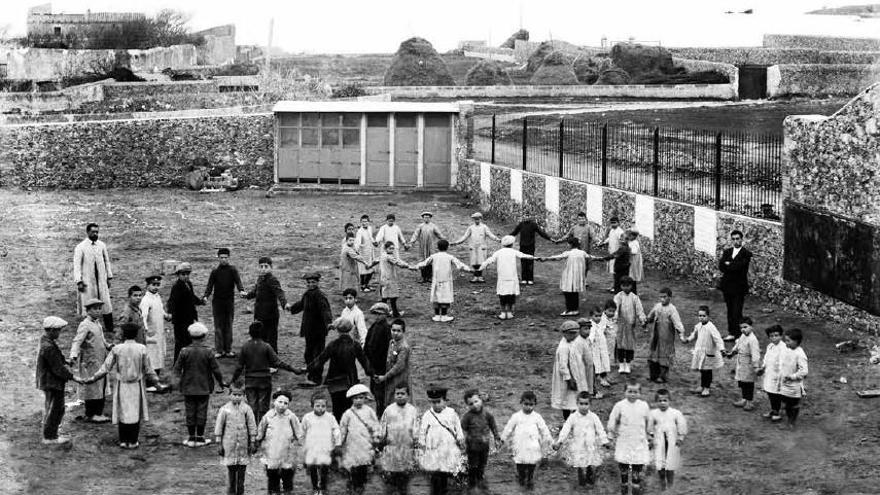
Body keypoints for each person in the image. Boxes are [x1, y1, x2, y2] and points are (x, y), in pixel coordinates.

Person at [84, 322, 163, 449]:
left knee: (123, 412)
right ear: (136, 335)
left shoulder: (117, 349)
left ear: (123, 335)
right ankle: (133, 441)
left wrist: (93, 378)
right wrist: (157, 383)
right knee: (134, 412)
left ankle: (123, 440)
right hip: (136, 386)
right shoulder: (142, 348)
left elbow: (105, 367)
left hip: (122, 386)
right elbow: (149, 370)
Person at [304, 318, 372, 421]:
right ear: (350, 329)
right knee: (349, 408)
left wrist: (307, 369)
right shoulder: (355, 345)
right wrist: (371, 373)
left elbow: (321, 359)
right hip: (350, 381)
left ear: (338, 330)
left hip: (334, 381)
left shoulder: (333, 344)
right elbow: (364, 361)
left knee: (337, 408)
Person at [230, 321, 299, 422]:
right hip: (264, 380)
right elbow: (278, 362)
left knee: (252, 407)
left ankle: (253, 429)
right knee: (263, 408)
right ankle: (262, 429)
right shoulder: (266, 346)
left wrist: (232, 380)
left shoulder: (245, 347)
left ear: (249, 333)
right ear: (262, 333)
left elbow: (239, 367)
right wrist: (294, 370)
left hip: (250, 381)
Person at [175, 322, 226, 447]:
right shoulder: (208, 352)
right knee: (202, 411)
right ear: (204, 336)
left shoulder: (184, 351)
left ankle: (191, 437)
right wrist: (221, 382)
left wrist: (176, 383)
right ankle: (201, 437)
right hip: (204, 386)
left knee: (190, 411)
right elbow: (216, 370)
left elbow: (176, 369)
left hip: (188, 386)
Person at [553, 392, 609, 489]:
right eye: (581, 404)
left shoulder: (593, 417)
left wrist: (605, 441)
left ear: (590, 404)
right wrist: (560, 441)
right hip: (578, 446)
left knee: (590, 462)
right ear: (577, 404)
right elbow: (566, 429)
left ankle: (590, 479)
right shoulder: (573, 417)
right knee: (580, 463)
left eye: (586, 404)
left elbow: (600, 429)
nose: (583, 407)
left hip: (590, 445)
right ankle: (581, 483)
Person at [286, 272, 334, 387]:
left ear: (317, 283)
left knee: (318, 354)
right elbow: (301, 304)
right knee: (308, 353)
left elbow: (325, 310)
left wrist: (328, 323)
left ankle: (316, 379)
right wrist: (291, 308)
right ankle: (310, 372)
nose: (311, 284)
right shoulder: (307, 294)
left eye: (313, 282)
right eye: (309, 283)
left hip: (319, 331)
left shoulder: (320, 295)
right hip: (309, 330)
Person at [69, 298, 112, 423]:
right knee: (92, 387)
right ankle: (91, 413)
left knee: (100, 386)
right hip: (90, 361)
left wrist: (108, 345)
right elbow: (77, 341)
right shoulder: (85, 325)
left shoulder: (97, 323)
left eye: (99, 308)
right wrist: (73, 355)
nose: (98, 311)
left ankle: (98, 412)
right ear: (88, 311)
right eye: (95, 309)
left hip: (100, 359)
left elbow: (101, 339)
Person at [37, 316, 77, 445]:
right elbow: (58, 369)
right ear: (52, 330)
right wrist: (73, 377)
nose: (59, 333)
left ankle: (50, 432)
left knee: (53, 407)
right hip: (52, 382)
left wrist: (65, 360)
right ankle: (50, 436)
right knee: (56, 408)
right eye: (58, 330)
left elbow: (56, 358)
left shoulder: (46, 342)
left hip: (49, 381)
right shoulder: (48, 346)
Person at [500, 391, 552, 489]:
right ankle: (521, 476)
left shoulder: (537, 417)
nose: (528, 407)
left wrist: (549, 439)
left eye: (531, 404)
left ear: (535, 404)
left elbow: (544, 428)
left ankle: (530, 478)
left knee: (532, 462)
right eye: (526, 404)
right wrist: (503, 438)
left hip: (532, 444)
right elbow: (509, 427)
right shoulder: (516, 416)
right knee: (520, 462)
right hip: (520, 443)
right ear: (521, 403)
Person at [607, 380, 652, 495]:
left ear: (640, 393)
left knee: (638, 462)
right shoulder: (620, 405)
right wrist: (611, 435)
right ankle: (624, 483)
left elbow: (649, 421)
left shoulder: (644, 406)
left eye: (635, 392)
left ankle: (636, 483)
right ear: (624, 392)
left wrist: (650, 434)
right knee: (624, 462)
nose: (632, 394)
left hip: (639, 439)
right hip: (625, 439)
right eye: (630, 391)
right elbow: (613, 420)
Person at [418, 386, 465, 495]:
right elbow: (422, 431)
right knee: (435, 472)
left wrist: (460, 439)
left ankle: (446, 488)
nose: (436, 405)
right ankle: (436, 491)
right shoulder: (427, 415)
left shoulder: (451, 413)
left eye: (438, 402)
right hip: (434, 449)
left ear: (445, 401)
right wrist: (422, 445)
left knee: (446, 470)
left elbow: (457, 427)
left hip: (448, 448)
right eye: (433, 402)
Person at [413, 239, 473, 322]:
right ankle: (444, 316)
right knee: (445, 297)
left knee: (436, 297)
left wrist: (414, 267)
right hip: (446, 280)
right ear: (447, 247)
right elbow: (459, 264)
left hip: (437, 280)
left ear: (437, 247)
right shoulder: (449, 257)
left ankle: (437, 315)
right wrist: (469, 270)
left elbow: (424, 263)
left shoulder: (434, 256)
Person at [214, 381, 258, 495]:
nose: (237, 397)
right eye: (234, 394)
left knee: (241, 474)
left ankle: (240, 492)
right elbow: (219, 426)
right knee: (231, 473)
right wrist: (219, 443)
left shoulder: (247, 409)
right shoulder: (224, 409)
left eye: (240, 395)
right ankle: (231, 492)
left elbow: (252, 425)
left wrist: (252, 441)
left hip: (243, 447)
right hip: (229, 446)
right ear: (229, 395)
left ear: (243, 396)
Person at [257, 390, 302, 495]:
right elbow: (261, 430)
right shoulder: (268, 416)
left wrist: (301, 442)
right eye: (280, 402)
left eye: (285, 403)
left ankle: (287, 491)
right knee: (272, 475)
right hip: (272, 451)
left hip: (287, 451)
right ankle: (273, 491)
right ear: (274, 402)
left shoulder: (291, 416)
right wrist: (257, 440)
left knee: (287, 475)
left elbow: (298, 432)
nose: (282, 405)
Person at [478, 235, 535, 319]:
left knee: (502, 294)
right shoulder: (513, 252)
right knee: (511, 294)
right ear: (512, 244)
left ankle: (503, 312)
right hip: (511, 276)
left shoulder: (498, 252)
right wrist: (535, 258)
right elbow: (524, 255)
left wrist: (480, 268)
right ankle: (509, 312)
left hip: (502, 277)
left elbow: (489, 260)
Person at [538, 237, 598, 316]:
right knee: (575, 292)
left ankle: (569, 310)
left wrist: (544, 259)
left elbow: (557, 257)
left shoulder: (568, 253)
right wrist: (603, 258)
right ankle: (575, 309)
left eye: (568, 243)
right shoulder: (582, 253)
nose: (567, 245)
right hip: (578, 276)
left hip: (569, 275)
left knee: (567, 292)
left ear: (571, 244)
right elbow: (591, 257)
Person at [339, 384, 380, 495]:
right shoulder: (348, 414)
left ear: (365, 399)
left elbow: (375, 424)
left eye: (361, 398)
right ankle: (354, 483)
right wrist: (340, 441)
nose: (358, 400)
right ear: (352, 400)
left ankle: (360, 484)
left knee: (364, 464)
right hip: (353, 444)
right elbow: (343, 428)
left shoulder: (369, 411)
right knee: (353, 464)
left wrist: (376, 436)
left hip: (365, 443)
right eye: (356, 398)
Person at [73, 223, 115, 333]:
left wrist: (109, 277)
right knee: (89, 304)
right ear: (88, 232)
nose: (95, 234)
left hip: (101, 279)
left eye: (97, 232)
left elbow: (106, 261)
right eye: (93, 232)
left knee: (106, 303)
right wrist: (79, 281)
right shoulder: (81, 247)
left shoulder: (101, 245)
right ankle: (89, 328)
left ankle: (109, 328)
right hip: (88, 281)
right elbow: (77, 265)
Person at [378, 385, 420, 495]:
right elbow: (383, 424)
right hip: (393, 443)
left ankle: (403, 489)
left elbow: (416, 425)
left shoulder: (412, 410)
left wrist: (415, 439)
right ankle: (392, 488)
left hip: (406, 444)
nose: (400, 396)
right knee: (392, 468)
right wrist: (382, 437)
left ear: (408, 396)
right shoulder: (389, 410)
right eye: (397, 394)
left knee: (405, 469)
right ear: (394, 395)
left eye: (403, 394)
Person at [204, 248, 244, 358]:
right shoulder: (215, 272)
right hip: (217, 303)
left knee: (228, 325)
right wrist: (205, 296)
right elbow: (209, 286)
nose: (223, 260)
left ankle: (228, 349)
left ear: (229, 258)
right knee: (218, 327)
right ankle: (219, 350)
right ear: (218, 258)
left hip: (229, 302)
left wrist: (241, 290)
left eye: (225, 258)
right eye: (221, 258)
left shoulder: (233, 270)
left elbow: (238, 282)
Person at [243, 256, 287, 354]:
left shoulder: (272, 279)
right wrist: (247, 295)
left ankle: (273, 363)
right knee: (261, 337)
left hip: (270, 315)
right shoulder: (260, 279)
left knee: (271, 339)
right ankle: (263, 359)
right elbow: (255, 291)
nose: (263, 269)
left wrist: (285, 304)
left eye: (266, 266)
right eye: (261, 266)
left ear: (271, 268)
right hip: (259, 313)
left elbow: (279, 293)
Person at [460, 389, 501, 491]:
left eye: (476, 401)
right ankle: (472, 481)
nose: (474, 405)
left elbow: (493, 427)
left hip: (484, 445)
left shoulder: (487, 414)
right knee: (473, 465)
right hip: (472, 446)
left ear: (481, 400)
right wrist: (462, 443)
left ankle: (480, 478)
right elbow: (462, 430)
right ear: (467, 405)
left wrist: (497, 438)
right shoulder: (467, 417)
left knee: (483, 463)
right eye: (470, 404)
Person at [301, 393, 340, 495]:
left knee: (324, 468)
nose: (320, 408)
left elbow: (336, 429)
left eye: (323, 406)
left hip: (325, 447)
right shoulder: (307, 417)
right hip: (312, 447)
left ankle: (322, 487)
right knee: (313, 468)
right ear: (312, 405)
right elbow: (302, 431)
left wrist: (337, 441)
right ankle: (315, 487)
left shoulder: (330, 417)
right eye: (317, 406)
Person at [167, 262, 206, 363]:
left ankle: (187, 363)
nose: (185, 276)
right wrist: (170, 313)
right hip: (180, 320)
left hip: (189, 318)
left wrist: (200, 302)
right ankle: (177, 364)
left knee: (189, 341)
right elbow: (172, 301)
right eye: (183, 274)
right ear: (178, 275)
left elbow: (192, 297)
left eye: (187, 274)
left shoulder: (189, 284)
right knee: (180, 343)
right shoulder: (176, 287)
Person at [649, 389, 687, 491]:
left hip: (672, 441)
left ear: (669, 401)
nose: (662, 403)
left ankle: (670, 483)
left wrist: (680, 438)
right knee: (660, 462)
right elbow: (649, 428)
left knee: (671, 463)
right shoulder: (653, 414)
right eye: (659, 401)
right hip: (659, 441)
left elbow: (681, 426)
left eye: (665, 400)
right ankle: (662, 480)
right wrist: (650, 438)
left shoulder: (675, 413)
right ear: (656, 402)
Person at [645, 288, 685, 384]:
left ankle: (662, 377)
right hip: (655, 336)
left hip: (666, 337)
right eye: (660, 297)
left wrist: (681, 335)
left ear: (669, 298)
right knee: (653, 354)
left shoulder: (672, 309)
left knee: (664, 356)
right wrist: (646, 320)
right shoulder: (657, 306)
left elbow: (677, 323)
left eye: (664, 297)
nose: (662, 299)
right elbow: (650, 316)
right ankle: (653, 375)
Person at [719, 230, 753, 342]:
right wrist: (730, 265)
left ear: (741, 239)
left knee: (737, 311)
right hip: (727, 286)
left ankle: (739, 335)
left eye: (738, 238)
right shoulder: (727, 252)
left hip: (739, 287)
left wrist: (730, 264)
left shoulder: (746, 254)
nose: (735, 241)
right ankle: (732, 333)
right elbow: (721, 266)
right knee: (729, 310)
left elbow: (740, 268)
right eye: (733, 239)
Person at [684, 306, 725, 397]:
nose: (701, 317)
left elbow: (718, 338)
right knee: (702, 370)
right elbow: (693, 334)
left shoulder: (711, 327)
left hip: (709, 352)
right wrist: (688, 339)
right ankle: (702, 386)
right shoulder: (698, 326)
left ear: (708, 316)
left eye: (704, 316)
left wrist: (722, 349)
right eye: (700, 316)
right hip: (700, 351)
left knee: (707, 371)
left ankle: (707, 388)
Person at [551, 321, 589, 420]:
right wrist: (569, 379)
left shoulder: (573, 343)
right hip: (567, 378)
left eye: (575, 333)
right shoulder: (563, 347)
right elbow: (563, 365)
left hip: (575, 373)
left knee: (574, 399)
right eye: (570, 333)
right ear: (564, 333)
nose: (574, 335)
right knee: (567, 400)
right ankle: (567, 420)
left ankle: (576, 419)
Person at [723, 316, 761, 411]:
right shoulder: (743, 336)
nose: (743, 330)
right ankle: (744, 399)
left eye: (745, 327)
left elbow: (755, 354)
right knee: (742, 383)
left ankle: (749, 402)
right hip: (741, 363)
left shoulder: (753, 340)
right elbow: (738, 345)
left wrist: (756, 366)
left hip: (749, 364)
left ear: (751, 327)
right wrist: (732, 353)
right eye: (741, 328)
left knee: (748, 383)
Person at [141, 273, 170, 390]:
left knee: (159, 355)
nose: (156, 287)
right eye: (153, 285)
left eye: (158, 285)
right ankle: (150, 383)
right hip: (151, 333)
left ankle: (156, 380)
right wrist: (147, 331)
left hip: (159, 331)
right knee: (151, 357)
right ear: (148, 285)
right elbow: (143, 317)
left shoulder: (157, 297)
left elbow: (160, 310)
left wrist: (166, 316)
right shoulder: (145, 300)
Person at [451, 212, 498, 283]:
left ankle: (480, 276)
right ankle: (475, 276)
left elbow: (490, 235)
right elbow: (465, 236)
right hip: (473, 247)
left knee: (481, 262)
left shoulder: (484, 227)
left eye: (478, 219)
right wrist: (457, 242)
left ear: (481, 219)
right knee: (474, 262)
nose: (477, 221)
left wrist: (497, 239)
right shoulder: (471, 228)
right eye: (475, 219)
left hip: (481, 247)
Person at [375, 318, 411, 411]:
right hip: (390, 378)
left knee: (398, 402)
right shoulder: (391, 342)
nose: (395, 333)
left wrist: (385, 377)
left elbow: (399, 366)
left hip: (400, 379)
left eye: (398, 331)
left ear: (403, 332)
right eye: (393, 330)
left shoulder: (404, 347)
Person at [776, 328, 809, 428]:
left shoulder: (800, 354)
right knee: (785, 401)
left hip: (794, 385)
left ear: (796, 341)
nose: (786, 343)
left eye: (788, 341)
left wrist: (792, 377)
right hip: (785, 382)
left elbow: (804, 371)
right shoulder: (788, 350)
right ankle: (788, 417)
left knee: (793, 404)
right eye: (785, 340)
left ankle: (791, 422)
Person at [613, 277, 646, 375]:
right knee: (620, 344)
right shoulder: (618, 296)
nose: (626, 288)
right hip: (620, 325)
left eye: (628, 286)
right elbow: (615, 308)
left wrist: (642, 319)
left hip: (630, 326)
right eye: (624, 286)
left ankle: (627, 364)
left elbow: (640, 310)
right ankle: (621, 364)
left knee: (629, 345)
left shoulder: (635, 297)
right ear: (621, 286)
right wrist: (614, 318)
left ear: (631, 286)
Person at [553, 211, 594, 287]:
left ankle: (584, 280)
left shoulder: (589, 227)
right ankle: (576, 280)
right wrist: (559, 240)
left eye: (583, 219)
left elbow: (593, 237)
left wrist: (598, 243)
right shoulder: (574, 228)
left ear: (586, 219)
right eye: (580, 219)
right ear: (577, 220)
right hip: (575, 250)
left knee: (585, 266)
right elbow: (567, 235)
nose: (581, 220)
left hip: (585, 249)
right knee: (575, 265)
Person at [364, 303, 392, 411]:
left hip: (381, 366)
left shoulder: (386, 328)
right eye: (375, 314)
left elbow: (386, 349)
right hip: (373, 364)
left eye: (380, 314)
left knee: (380, 391)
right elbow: (368, 343)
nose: (377, 317)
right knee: (374, 389)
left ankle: (381, 412)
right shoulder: (374, 326)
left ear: (385, 315)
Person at [509, 214, 551, 285]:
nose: (526, 217)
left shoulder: (533, 225)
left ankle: (530, 279)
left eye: (527, 216)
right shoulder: (521, 224)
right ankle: (524, 279)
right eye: (525, 216)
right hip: (523, 246)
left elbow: (541, 233)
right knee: (523, 262)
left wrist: (549, 238)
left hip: (530, 246)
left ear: (530, 217)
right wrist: (506, 238)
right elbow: (514, 232)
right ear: (523, 217)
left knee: (530, 262)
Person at [377, 241, 413, 318]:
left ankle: (384, 311)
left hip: (384, 278)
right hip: (389, 278)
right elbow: (398, 262)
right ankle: (395, 313)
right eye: (390, 248)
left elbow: (397, 260)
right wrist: (409, 266)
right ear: (385, 248)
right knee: (393, 297)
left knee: (385, 296)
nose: (392, 250)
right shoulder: (388, 256)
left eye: (393, 249)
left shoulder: (383, 255)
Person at [757, 325, 786, 422]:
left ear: (781, 336)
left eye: (776, 335)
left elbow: (783, 363)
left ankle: (777, 412)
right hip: (769, 373)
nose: (774, 338)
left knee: (776, 394)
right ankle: (773, 410)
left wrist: (781, 376)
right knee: (770, 393)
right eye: (771, 336)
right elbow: (766, 358)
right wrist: (763, 367)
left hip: (778, 375)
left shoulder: (783, 348)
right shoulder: (770, 346)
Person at [409, 211, 445, 283]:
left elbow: (439, 234)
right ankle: (423, 277)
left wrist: (445, 240)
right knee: (422, 261)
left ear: (430, 218)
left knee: (431, 261)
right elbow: (415, 235)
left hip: (431, 246)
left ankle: (430, 277)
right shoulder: (420, 226)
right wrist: (411, 242)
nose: (426, 219)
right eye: (425, 217)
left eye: (428, 217)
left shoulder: (433, 226)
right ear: (423, 218)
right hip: (422, 246)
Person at [572, 316, 600, 399]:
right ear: (578, 330)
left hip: (590, 364)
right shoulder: (578, 341)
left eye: (589, 329)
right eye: (585, 329)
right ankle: (586, 393)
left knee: (591, 377)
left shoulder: (586, 339)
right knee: (584, 380)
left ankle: (591, 391)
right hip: (583, 366)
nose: (588, 331)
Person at [583, 309, 612, 388]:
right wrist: (590, 342)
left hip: (602, 347)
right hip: (594, 348)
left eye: (599, 316)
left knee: (604, 362)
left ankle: (604, 377)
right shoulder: (591, 325)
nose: (598, 318)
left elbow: (604, 328)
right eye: (596, 316)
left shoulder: (601, 323)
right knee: (596, 363)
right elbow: (590, 336)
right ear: (591, 316)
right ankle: (597, 379)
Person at [596, 216, 625, 293]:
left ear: (618, 223)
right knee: (612, 271)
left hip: (617, 254)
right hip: (611, 252)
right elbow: (609, 238)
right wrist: (603, 243)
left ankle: (617, 287)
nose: (613, 224)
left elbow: (622, 241)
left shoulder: (620, 232)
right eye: (611, 223)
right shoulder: (612, 230)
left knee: (616, 271)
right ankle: (613, 286)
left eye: (614, 223)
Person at [355, 214, 377, 292]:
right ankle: (362, 286)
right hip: (363, 253)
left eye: (366, 221)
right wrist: (356, 251)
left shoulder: (370, 228)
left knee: (371, 269)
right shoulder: (359, 232)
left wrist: (374, 242)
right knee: (363, 271)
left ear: (368, 222)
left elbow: (371, 237)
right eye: (363, 222)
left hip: (370, 252)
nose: (364, 223)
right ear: (360, 222)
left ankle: (367, 284)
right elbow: (357, 243)